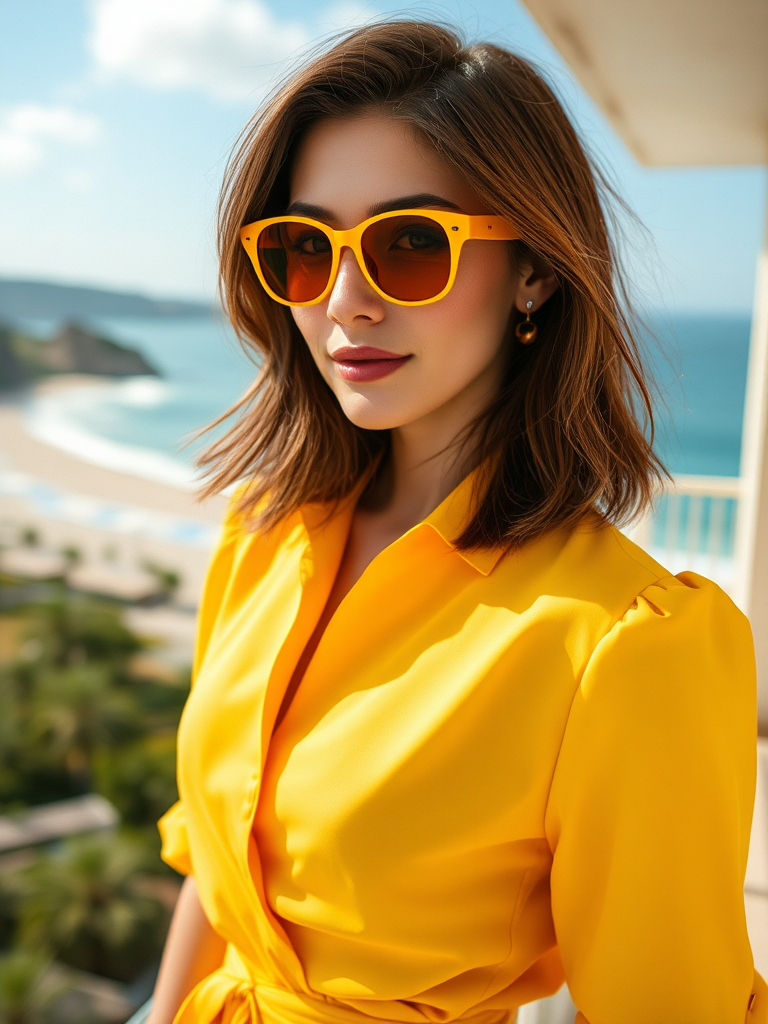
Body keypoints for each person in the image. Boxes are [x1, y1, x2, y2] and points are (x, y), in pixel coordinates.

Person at [145, 21, 765, 1024]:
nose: (346, 302)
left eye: (409, 245)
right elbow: (214, 875)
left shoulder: (626, 648)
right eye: (307, 249)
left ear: (536, 270)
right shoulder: (261, 538)